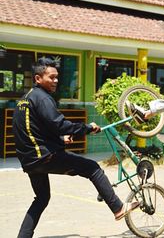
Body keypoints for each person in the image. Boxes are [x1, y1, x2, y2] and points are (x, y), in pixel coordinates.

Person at [12, 58, 138, 238]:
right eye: (51, 77)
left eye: (57, 77)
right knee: (92, 168)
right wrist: (88, 128)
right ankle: (118, 208)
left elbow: (39, 129)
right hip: (44, 157)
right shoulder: (42, 98)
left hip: (30, 161)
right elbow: (60, 124)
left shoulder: (25, 99)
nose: (55, 81)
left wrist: (60, 140)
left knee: (41, 198)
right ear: (38, 78)